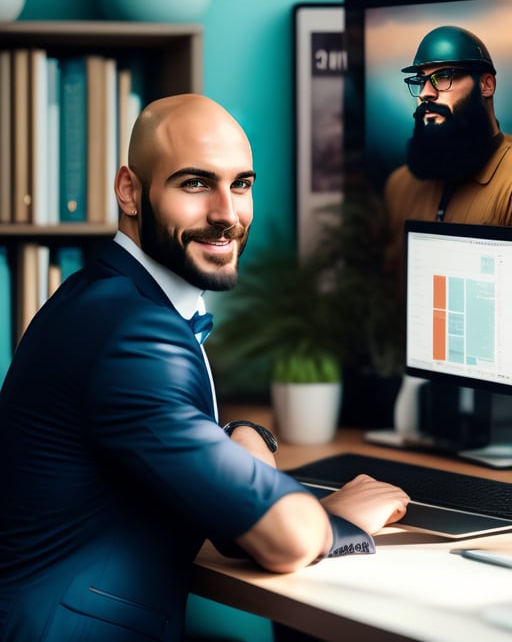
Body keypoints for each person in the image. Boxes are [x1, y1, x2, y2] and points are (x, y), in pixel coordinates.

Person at [0, 94, 409, 642]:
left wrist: (242, 434)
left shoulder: (103, 296)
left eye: (241, 184)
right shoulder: (134, 332)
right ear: (129, 190)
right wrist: (338, 520)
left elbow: (215, 505)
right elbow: (280, 539)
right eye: (195, 184)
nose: (227, 214)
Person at [385, 24, 512, 283]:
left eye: (444, 76)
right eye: (421, 80)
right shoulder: (400, 187)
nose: (425, 94)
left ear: (486, 84)